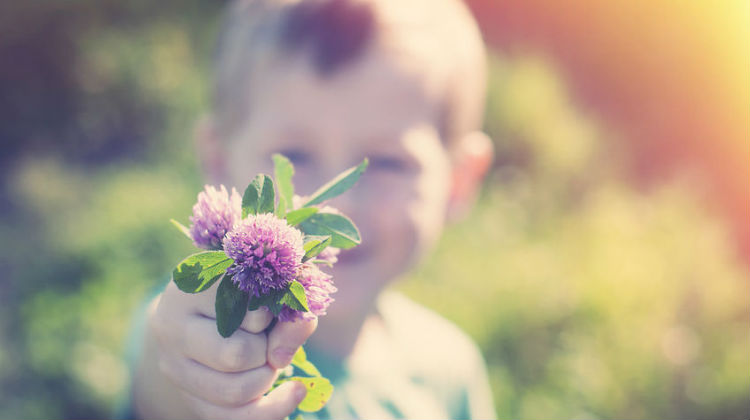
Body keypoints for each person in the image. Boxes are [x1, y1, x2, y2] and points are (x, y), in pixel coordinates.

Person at [130, 0, 496, 418]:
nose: (337, 205)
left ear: (459, 181)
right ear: (218, 160)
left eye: (389, 162)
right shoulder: (189, 329)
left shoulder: (451, 367)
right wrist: (199, 381)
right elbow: (168, 378)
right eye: (294, 155)